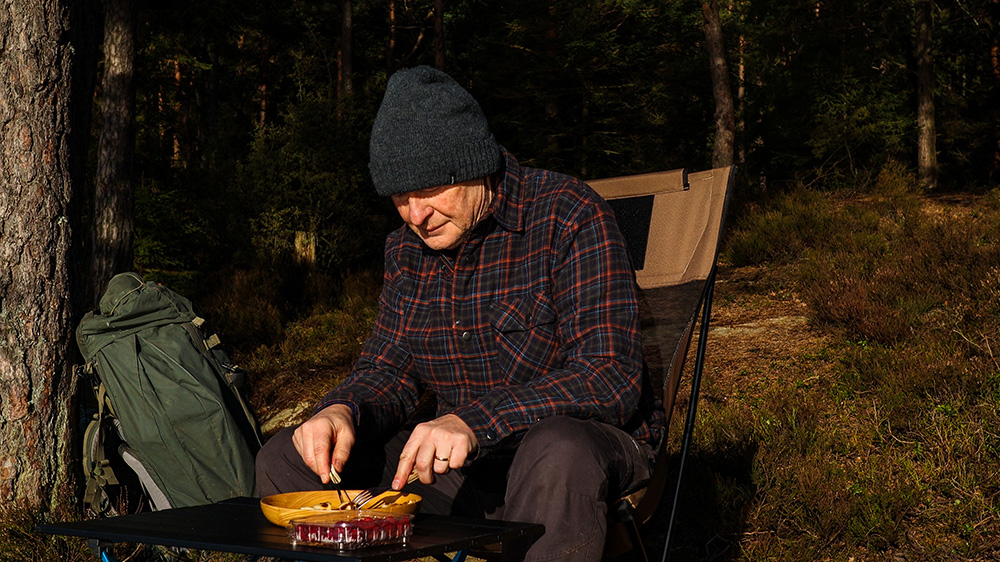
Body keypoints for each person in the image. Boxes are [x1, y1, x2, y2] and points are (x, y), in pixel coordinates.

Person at [255, 65, 665, 561]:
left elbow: (609, 380)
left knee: (558, 448)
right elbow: (388, 370)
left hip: (575, 460)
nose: (416, 216)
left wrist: (475, 422)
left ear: (476, 164)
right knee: (285, 457)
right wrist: (343, 409)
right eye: (399, 199)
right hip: (462, 476)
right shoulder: (406, 250)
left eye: (427, 192)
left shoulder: (569, 216)